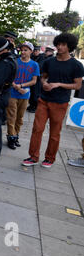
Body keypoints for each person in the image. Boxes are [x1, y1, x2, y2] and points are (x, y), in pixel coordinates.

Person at [22, 33, 84, 168]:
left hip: (60, 102)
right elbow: (43, 77)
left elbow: (77, 85)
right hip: (44, 100)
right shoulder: (49, 61)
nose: (59, 47)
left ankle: (50, 158)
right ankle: (33, 157)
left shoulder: (76, 65)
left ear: (70, 47)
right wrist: (44, 83)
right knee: (37, 129)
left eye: (63, 45)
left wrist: (58, 84)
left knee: (55, 133)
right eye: (58, 44)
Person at [6, 41, 40, 149]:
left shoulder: (34, 65)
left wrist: (22, 86)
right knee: (11, 116)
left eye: (26, 50)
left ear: (31, 51)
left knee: (20, 118)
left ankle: (16, 135)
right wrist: (16, 86)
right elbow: (8, 76)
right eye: (22, 50)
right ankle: (11, 137)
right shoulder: (15, 61)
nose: (23, 52)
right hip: (12, 93)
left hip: (25, 94)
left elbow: (34, 81)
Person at [27, 45, 45, 113]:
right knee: (31, 92)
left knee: (36, 93)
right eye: (34, 51)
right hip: (30, 77)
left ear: (39, 51)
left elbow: (39, 67)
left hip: (37, 77)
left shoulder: (42, 58)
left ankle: (35, 106)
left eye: (37, 51)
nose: (35, 52)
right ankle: (31, 105)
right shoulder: (32, 57)